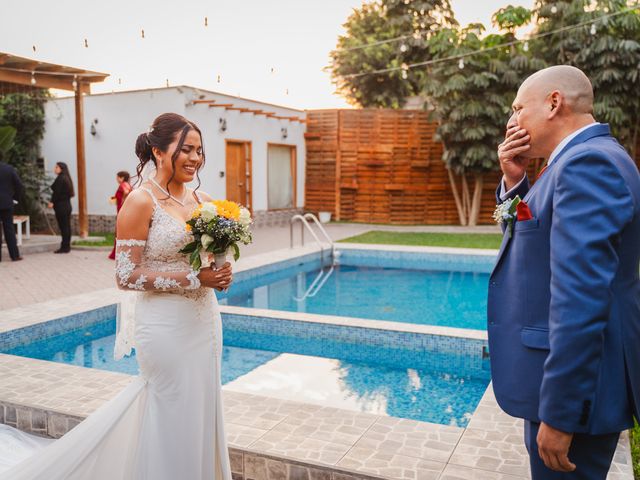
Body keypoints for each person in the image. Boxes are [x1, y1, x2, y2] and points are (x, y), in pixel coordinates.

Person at [0, 113, 234, 479]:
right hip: (165, 327)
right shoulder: (140, 201)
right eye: (186, 149)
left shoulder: (203, 200)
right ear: (158, 152)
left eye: (200, 151)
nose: (195, 158)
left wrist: (220, 270)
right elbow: (126, 276)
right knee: (172, 407)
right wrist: (194, 278)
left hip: (206, 322)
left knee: (202, 406)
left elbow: (208, 257)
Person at [489, 65, 640, 479]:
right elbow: (525, 232)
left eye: (519, 109)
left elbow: (581, 300)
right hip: (564, 389)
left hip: (576, 399)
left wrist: (560, 413)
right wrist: (515, 180)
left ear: (554, 103)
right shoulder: (569, 164)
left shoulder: (588, 165)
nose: (512, 121)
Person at [47, 162, 74, 254]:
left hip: (61, 206)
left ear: (61, 168)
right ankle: (67, 246)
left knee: (64, 227)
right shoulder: (66, 178)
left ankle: (64, 247)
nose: (55, 169)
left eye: (57, 167)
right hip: (67, 205)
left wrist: (52, 202)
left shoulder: (60, 178)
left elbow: (57, 193)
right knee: (66, 226)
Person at [0, 160, 23, 262]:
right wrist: (14, 199)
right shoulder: (9, 168)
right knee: (9, 229)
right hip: (7, 203)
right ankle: (14, 255)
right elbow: (19, 185)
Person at [108, 171, 132, 260]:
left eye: (117, 177)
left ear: (122, 178)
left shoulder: (123, 184)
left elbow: (126, 192)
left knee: (119, 231)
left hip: (122, 211)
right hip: (124, 210)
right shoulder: (127, 184)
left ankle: (118, 253)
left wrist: (123, 200)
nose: (116, 179)